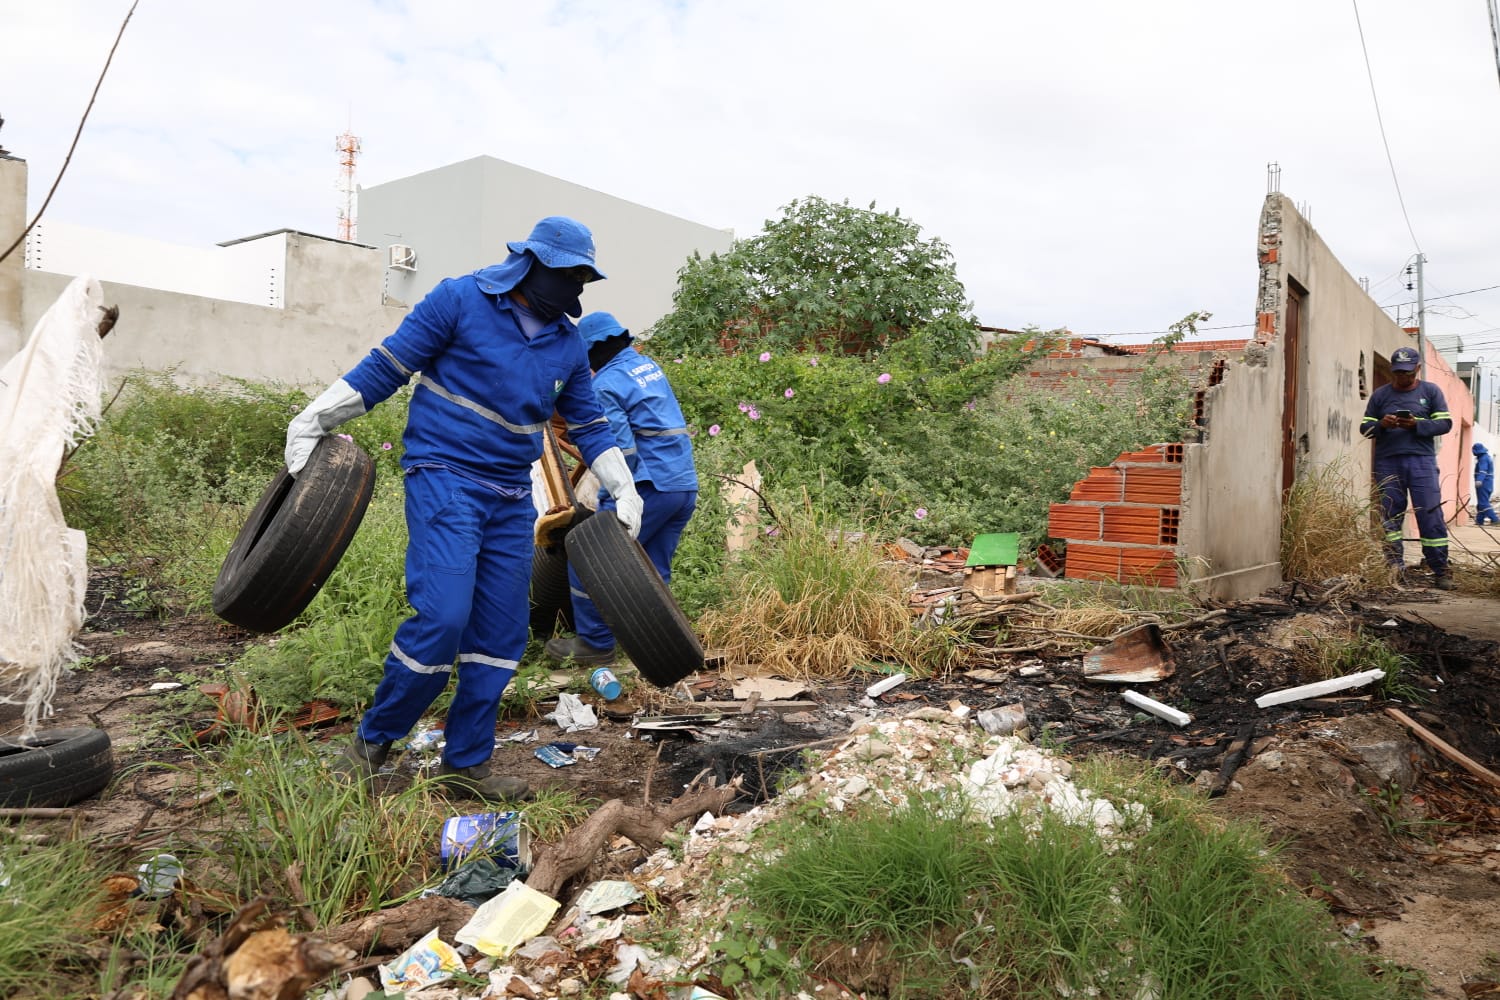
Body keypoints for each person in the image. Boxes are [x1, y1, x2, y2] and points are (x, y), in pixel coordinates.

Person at [283, 217, 644, 801]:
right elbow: (387, 367)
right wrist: (315, 420)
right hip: (444, 475)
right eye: (571, 276)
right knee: (444, 617)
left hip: (508, 494)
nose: (577, 294)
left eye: (584, 280)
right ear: (533, 264)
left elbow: (589, 423)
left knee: (500, 633)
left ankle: (465, 763)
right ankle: (372, 744)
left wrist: (623, 486)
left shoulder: (567, 343)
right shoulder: (459, 299)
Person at [543, 311, 698, 665]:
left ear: (593, 349)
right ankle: (654, 643)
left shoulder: (606, 384)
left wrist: (607, 498)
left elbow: (621, 450)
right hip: (682, 485)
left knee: (589, 558)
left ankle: (595, 644)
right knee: (652, 569)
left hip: (649, 486)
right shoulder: (648, 368)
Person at [1359, 345, 1454, 589]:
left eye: (1409, 373)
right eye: (1399, 373)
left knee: (1430, 514)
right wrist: (1383, 424)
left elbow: (1444, 423)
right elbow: (1366, 428)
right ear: (1393, 371)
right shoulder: (1380, 395)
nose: (1404, 377)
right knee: (1390, 516)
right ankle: (1394, 567)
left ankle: (1440, 569)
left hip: (1421, 462)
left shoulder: (1431, 392)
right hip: (1388, 461)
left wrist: (1416, 424)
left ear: (1418, 369)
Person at [1475, 442, 1498, 525]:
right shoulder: (1487, 457)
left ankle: (1495, 519)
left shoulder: (1483, 459)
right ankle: (1479, 521)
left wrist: (1479, 480)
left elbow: (1483, 470)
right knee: (1482, 503)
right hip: (1488, 483)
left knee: (1483, 503)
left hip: (1484, 483)